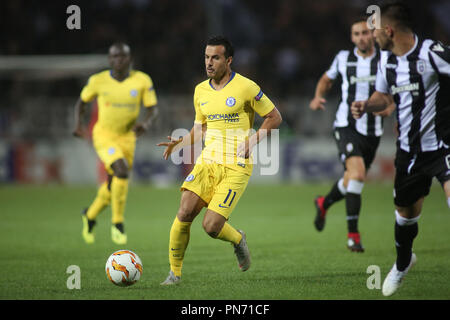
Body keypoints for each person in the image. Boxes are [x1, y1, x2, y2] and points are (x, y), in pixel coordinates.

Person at [157, 36, 282, 285]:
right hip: (207, 162)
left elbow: (274, 117)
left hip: (236, 165)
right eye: (206, 57)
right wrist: (179, 142)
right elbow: (199, 130)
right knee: (183, 212)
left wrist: (255, 139)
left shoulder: (246, 87)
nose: (209, 63)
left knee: (212, 226)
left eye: (215, 57)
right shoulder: (200, 91)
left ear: (229, 60)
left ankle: (237, 239)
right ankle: (174, 274)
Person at [351, 1, 450, 296]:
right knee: (405, 217)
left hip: (443, 147)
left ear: (389, 30)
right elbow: (383, 96)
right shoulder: (386, 61)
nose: (372, 36)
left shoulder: (433, 54)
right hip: (409, 153)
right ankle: (404, 262)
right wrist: (367, 104)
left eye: (375, 30)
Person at [309, 17, 395, 252]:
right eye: (356, 34)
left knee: (351, 180)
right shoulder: (343, 58)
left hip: (372, 131)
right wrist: (318, 97)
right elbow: (327, 80)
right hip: (346, 126)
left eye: (365, 33)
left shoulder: (384, 59)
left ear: (373, 35)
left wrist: (389, 108)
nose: (361, 38)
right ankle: (353, 236)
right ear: (351, 37)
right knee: (356, 175)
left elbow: (397, 89)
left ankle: (324, 202)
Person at [73, 42, 158, 245]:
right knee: (121, 171)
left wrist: (146, 124)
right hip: (104, 135)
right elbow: (82, 102)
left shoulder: (142, 80)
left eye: (121, 56)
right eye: (113, 57)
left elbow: (153, 108)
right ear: (110, 60)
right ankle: (117, 223)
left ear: (129, 59)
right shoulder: (98, 80)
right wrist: (79, 125)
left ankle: (90, 214)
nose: (117, 60)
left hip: (128, 137)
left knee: (114, 183)